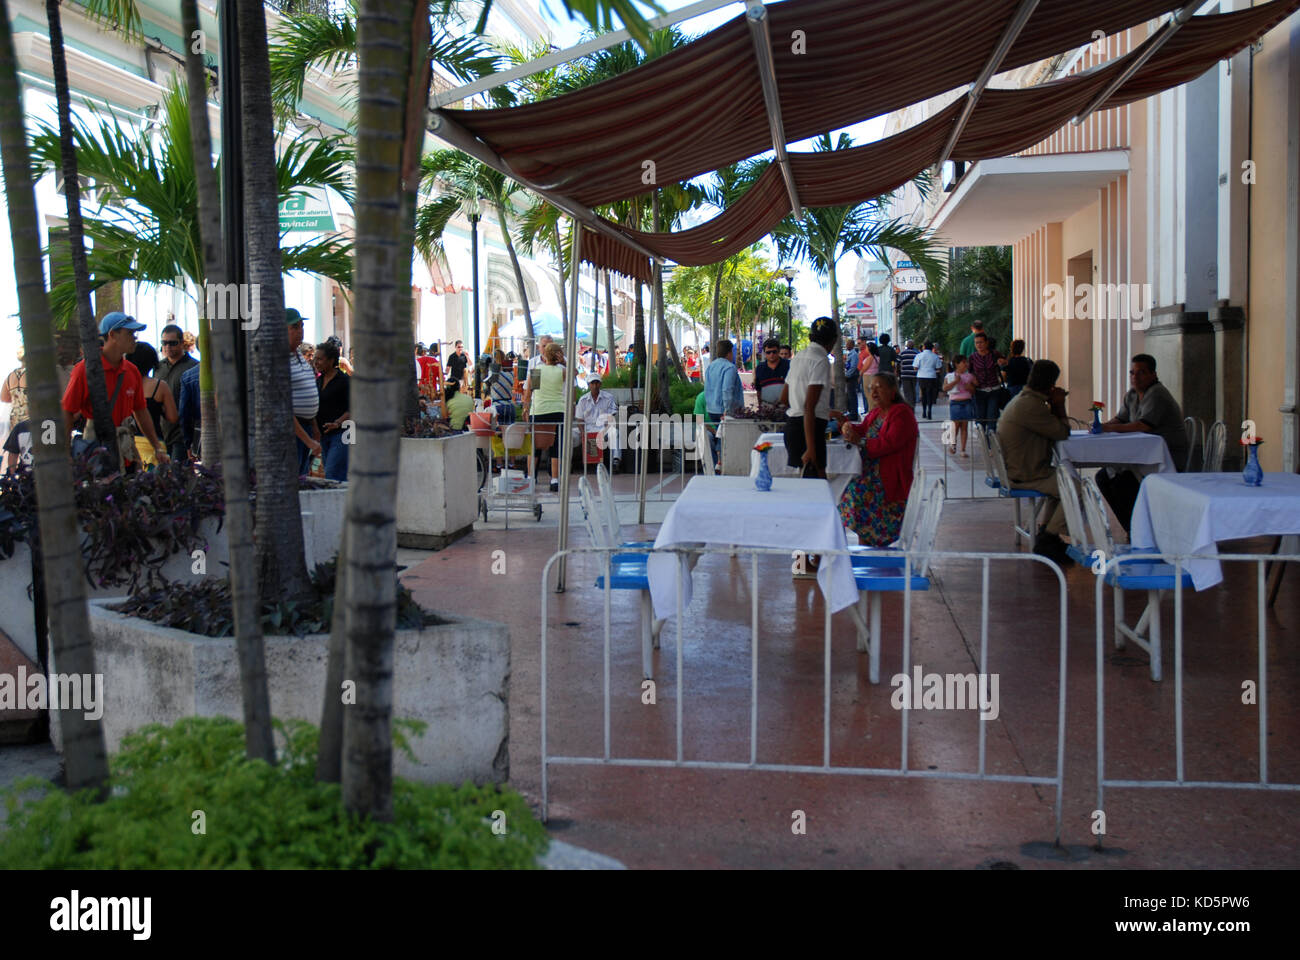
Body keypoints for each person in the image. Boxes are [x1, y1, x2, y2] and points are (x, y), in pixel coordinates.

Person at [62, 312, 169, 465]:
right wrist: (65, 454)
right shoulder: (85, 370)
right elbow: (67, 411)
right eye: (130, 333)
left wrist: (157, 448)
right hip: (95, 455)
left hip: (126, 452)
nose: (135, 337)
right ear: (112, 334)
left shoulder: (132, 371)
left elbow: (141, 411)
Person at [1097, 354, 1188, 533]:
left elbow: (1143, 425)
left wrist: (1107, 429)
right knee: (1103, 477)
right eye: (1132, 373)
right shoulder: (1131, 394)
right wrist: (1100, 426)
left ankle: (1141, 530)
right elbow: (1120, 419)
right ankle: (1131, 528)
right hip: (1141, 457)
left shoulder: (1157, 394)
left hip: (1166, 457)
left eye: (1141, 373)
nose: (1135, 377)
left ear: (1153, 374)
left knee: (1122, 482)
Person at [997, 360, 1074, 566]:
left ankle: (1046, 532)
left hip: (1021, 469)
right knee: (1074, 488)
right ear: (1050, 383)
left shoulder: (1023, 400)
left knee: (1062, 484)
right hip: (1024, 474)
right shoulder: (1031, 406)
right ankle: (1048, 538)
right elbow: (1061, 432)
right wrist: (1059, 405)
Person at [833, 373, 919, 546]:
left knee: (854, 494)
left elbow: (889, 443)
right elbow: (863, 430)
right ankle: (863, 543)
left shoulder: (901, 413)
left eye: (879, 387)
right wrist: (844, 422)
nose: (873, 393)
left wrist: (861, 441)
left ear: (893, 390)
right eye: (871, 388)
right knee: (840, 490)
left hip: (887, 477)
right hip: (870, 472)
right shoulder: (877, 412)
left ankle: (866, 545)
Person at [780, 316, 837, 480]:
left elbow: (784, 398)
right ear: (833, 340)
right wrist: (811, 448)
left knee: (807, 487)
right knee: (818, 486)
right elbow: (809, 407)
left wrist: (828, 412)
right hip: (810, 429)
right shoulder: (821, 360)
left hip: (793, 426)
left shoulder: (798, 357)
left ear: (811, 337)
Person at [524, 341, 569, 491]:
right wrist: (563, 361)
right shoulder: (563, 371)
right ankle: (555, 480)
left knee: (533, 446)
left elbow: (529, 392)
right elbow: (573, 377)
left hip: (538, 410)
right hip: (557, 410)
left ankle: (530, 477)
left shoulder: (536, 370)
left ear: (544, 356)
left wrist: (525, 409)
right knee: (556, 446)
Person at [126, 343, 179, 467]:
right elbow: (173, 417)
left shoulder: (123, 385)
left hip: (129, 442)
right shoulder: (160, 386)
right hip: (154, 444)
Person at [286, 308, 321, 475]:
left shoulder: (299, 356)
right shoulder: (280, 359)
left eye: (301, 326)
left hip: (306, 427)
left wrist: (314, 428)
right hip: (293, 431)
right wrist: (308, 441)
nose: (300, 331)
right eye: (294, 327)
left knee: (303, 476)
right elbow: (282, 407)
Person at [156, 324, 197, 463]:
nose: (167, 347)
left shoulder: (193, 367)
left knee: (177, 476)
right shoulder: (158, 367)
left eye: (172, 343)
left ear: (181, 343)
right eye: (164, 343)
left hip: (183, 435)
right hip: (162, 434)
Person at [703, 338, 744, 468]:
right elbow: (727, 390)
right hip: (725, 409)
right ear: (729, 352)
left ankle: (719, 464)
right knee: (726, 439)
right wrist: (728, 409)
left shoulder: (711, 367)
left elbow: (707, 388)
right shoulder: (729, 368)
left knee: (721, 436)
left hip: (712, 408)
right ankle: (722, 465)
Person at [314, 340, 350, 481]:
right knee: (333, 473)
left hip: (343, 433)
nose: (316, 362)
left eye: (320, 359)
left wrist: (338, 423)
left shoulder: (344, 380)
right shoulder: (318, 381)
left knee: (333, 474)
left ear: (331, 360)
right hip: (325, 434)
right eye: (315, 359)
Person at [576, 373, 620, 472]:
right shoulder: (583, 400)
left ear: (600, 384)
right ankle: (566, 464)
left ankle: (616, 460)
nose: (595, 386)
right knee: (570, 436)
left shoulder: (608, 397)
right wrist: (583, 433)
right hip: (587, 428)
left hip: (602, 428)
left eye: (597, 383)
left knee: (615, 433)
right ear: (589, 385)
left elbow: (611, 417)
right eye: (592, 383)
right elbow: (579, 419)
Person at [941, 355, 976, 457]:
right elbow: (945, 388)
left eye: (966, 362)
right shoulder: (950, 376)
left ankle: (963, 449)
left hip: (967, 401)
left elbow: (974, 389)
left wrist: (969, 387)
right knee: (955, 425)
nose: (966, 364)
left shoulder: (969, 376)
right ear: (957, 364)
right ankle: (953, 444)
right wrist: (956, 381)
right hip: (955, 402)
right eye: (963, 362)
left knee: (964, 426)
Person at [968, 331, 1004, 425]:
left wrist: (1002, 363)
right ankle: (983, 438)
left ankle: (991, 438)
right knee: (980, 418)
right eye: (977, 343)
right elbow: (970, 372)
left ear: (986, 342)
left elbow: (1005, 364)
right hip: (979, 391)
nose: (979, 345)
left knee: (992, 417)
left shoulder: (994, 354)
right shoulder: (972, 357)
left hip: (994, 390)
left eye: (981, 342)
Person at [753, 337, 790, 405]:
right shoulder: (760, 368)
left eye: (774, 352)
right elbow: (759, 390)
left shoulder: (788, 366)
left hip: (786, 409)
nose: (771, 354)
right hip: (766, 410)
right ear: (764, 353)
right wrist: (760, 407)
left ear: (778, 351)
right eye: (768, 352)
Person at [914, 340, 944, 420]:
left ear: (924, 347)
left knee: (923, 394)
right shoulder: (935, 356)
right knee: (930, 394)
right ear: (931, 347)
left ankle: (924, 411)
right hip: (931, 376)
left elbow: (915, 367)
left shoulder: (919, 356)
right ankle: (929, 411)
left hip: (921, 376)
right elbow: (939, 368)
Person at [178, 362, 200, 458]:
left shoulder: (188, 376)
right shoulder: (232, 371)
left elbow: (184, 414)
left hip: (201, 434)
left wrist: (188, 443)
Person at [2, 347, 28, 429]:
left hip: (15, 419)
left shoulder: (10, 376)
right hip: (29, 418)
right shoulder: (33, 375)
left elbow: (4, 398)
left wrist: (16, 399)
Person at [841, 336, 860, 420]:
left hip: (852, 377)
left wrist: (847, 375)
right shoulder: (850, 354)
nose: (846, 345)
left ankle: (854, 414)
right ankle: (851, 412)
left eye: (848, 344)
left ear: (852, 345)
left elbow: (853, 367)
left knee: (852, 396)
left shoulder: (854, 355)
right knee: (850, 395)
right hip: (849, 377)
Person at [898, 339, 919, 408]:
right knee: (913, 391)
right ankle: (913, 405)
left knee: (907, 392)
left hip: (905, 375)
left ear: (907, 345)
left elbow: (898, 363)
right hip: (914, 375)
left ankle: (909, 406)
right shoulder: (916, 354)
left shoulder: (903, 353)